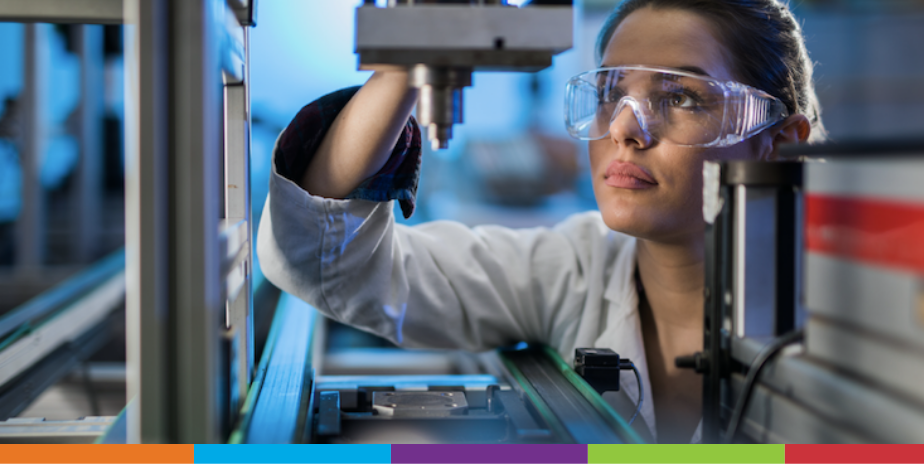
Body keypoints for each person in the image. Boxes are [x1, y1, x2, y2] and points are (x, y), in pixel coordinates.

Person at [257, 0, 824, 444]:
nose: (625, 130)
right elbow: (320, 256)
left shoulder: (854, 321)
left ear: (779, 144)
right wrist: (411, 63)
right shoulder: (574, 269)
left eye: (681, 97)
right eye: (610, 93)